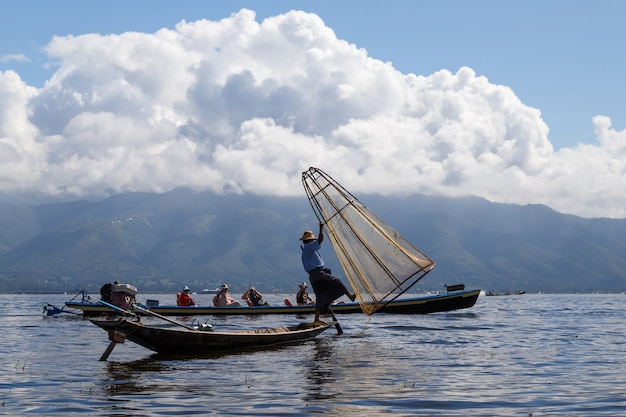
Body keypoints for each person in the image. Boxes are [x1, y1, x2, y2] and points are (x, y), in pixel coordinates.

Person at [300, 223, 356, 322]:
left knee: (319, 295)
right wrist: (321, 228)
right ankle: (350, 297)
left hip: (313, 276)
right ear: (310, 240)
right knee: (337, 281)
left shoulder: (308, 249)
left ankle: (316, 319)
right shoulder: (309, 247)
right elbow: (320, 240)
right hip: (317, 274)